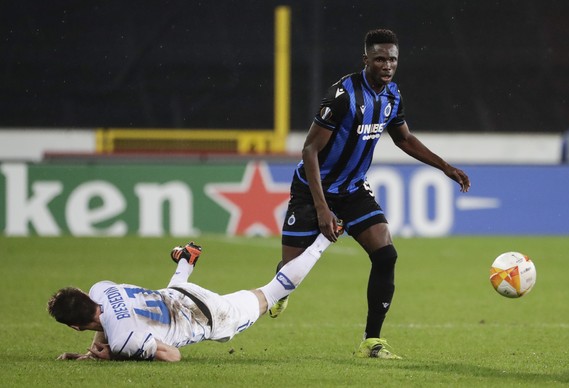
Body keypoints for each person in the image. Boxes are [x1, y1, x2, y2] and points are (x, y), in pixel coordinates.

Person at [270, 28, 471, 359]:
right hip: (312, 189)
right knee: (291, 272)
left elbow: (404, 139)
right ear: (366, 60)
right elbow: (309, 151)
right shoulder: (343, 96)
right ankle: (280, 285)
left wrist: (445, 167)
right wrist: (322, 210)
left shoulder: (392, 96)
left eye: (392, 59)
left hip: (352, 190)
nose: (387, 65)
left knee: (386, 254)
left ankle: (372, 341)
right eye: (380, 59)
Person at [47, 229, 339, 362]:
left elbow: (172, 355)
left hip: (209, 316)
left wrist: (116, 355)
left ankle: (326, 238)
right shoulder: (101, 289)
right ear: (87, 295)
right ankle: (187, 259)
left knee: (271, 293)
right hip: (180, 294)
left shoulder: (124, 340)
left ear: (74, 326)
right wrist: (92, 354)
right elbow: (107, 317)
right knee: (167, 294)